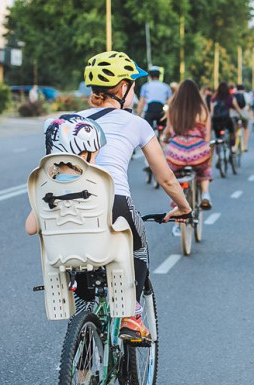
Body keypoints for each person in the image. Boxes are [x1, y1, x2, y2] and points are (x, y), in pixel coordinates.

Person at [80, 51, 191, 340]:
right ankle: (130, 314)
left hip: (72, 206)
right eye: (131, 83)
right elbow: (165, 177)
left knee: (80, 264)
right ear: (121, 88)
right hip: (114, 201)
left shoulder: (72, 119)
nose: (134, 90)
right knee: (138, 245)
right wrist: (184, 208)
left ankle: (81, 370)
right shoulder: (136, 123)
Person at [163, 79, 214, 210]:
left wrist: (166, 138)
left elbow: (168, 131)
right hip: (198, 152)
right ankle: (205, 194)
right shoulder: (202, 109)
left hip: (176, 152)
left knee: (174, 177)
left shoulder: (174, 108)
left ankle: (177, 210)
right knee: (204, 170)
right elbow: (207, 136)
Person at [136, 65, 172, 132]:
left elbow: (142, 102)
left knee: (147, 131)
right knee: (162, 130)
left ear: (150, 76)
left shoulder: (145, 86)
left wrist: (138, 114)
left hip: (150, 112)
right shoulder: (166, 87)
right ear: (159, 76)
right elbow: (170, 102)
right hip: (161, 112)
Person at [210, 82, 242, 150]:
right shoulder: (230, 98)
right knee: (232, 131)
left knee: (217, 136)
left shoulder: (214, 99)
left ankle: (218, 151)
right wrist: (241, 115)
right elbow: (237, 108)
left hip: (216, 121)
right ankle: (233, 146)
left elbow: (212, 111)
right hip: (226, 120)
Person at [233, 84, 251, 151]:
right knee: (246, 129)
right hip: (244, 114)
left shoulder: (234, 95)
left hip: (236, 115)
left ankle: (234, 145)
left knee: (235, 129)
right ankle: (245, 145)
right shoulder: (247, 95)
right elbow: (249, 105)